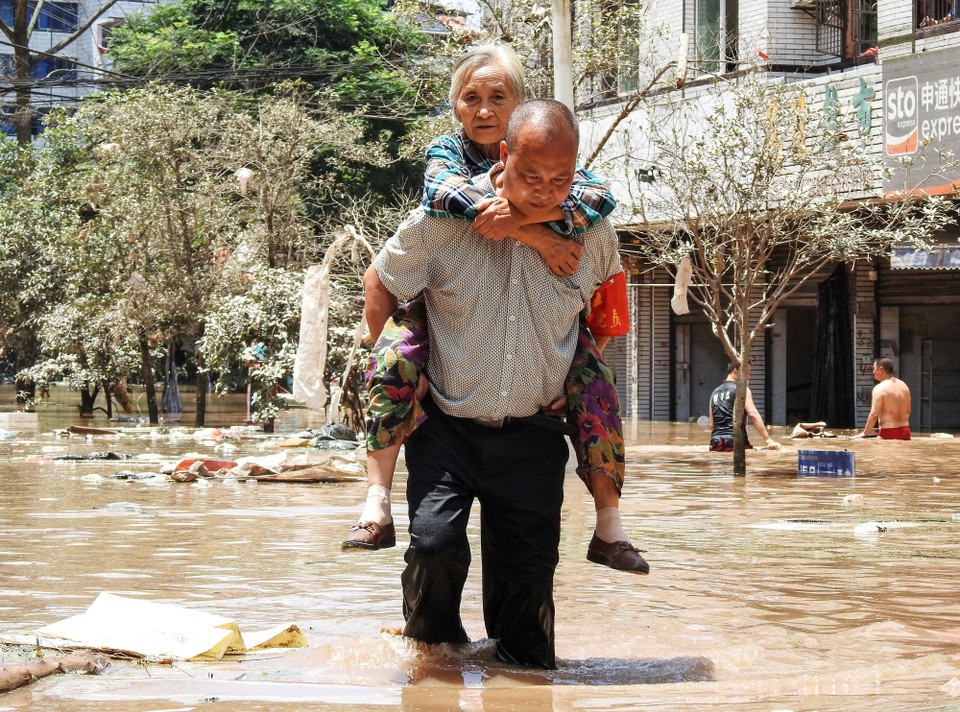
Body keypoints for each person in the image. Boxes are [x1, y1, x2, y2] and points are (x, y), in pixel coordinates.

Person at [343, 45, 644, 575]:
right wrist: (529, 231)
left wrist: (543, 228)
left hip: (532, 428)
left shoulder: (578, 196)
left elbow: (600, 232)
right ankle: (377, 500)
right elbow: (417, 233)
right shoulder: (445, 173)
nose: (483, 109)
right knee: (392, 359)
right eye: (472, 98)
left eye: (498, 98)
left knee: (597, 383)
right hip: (447, 406)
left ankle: (609, 524)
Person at [363, 100, 631, 668]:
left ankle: (521, 685)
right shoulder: (440, 223)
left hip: (533, 432)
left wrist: (578, 372)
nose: (543, 191)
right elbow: (382, 277)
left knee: (529, 588)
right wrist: (396, 355)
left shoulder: (593, 231)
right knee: (433, 551)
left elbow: (608, 308)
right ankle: (432, 670)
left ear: (577, 168)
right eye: (531, 176)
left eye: (560, 179)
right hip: (446, 429)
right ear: (504, 155)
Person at [709, 362, 781, 451]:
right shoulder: (742, 390)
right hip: (735, 440)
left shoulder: (714, 393)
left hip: (716, 442)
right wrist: (768, 440)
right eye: (747, 372)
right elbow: (753, 414)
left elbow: (712, 425)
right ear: (736, 370)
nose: (748, 377)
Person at [856, 358, 912, 440]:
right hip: (906, 432)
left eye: (874, 369)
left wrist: (865, 433)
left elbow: (874, 414)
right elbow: (908, 410)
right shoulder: (904, 386)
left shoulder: (880, 388)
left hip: (889, 433)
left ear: (881, 370)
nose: (873, 372)